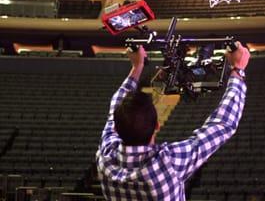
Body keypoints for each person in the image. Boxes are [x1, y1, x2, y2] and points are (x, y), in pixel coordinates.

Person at [96, 42, 250, 201]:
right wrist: (238, 70)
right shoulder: (168, 163)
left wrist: (137, 67)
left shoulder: (105, 157)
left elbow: (116, 105)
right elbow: (222, 125)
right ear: (156, 126)